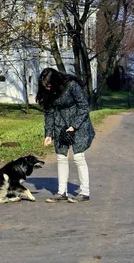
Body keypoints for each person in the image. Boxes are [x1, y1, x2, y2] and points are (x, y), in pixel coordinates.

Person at [36, 67, 95, 203]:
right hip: (60, 125)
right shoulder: (49, 93)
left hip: (79, 124)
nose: (47, 88)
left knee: (78, 157)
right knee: (61, 157)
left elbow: (84, 106)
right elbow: (49, 113)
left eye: (49, 85)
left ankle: (84, 192)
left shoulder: (71, 86)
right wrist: (48, 134)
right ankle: (62, 192)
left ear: (56, 81)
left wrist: (74, 126)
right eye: (45, 86)